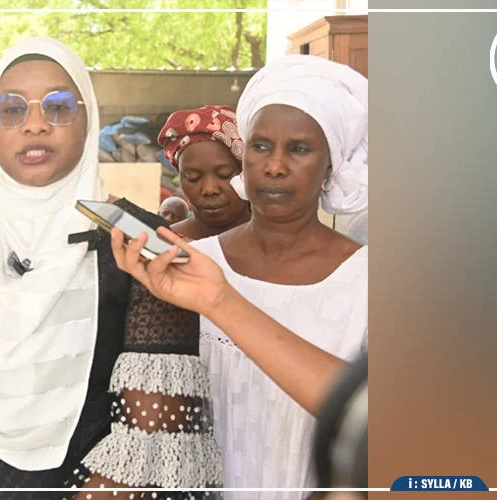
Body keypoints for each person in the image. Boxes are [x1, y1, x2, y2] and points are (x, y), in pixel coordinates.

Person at [0, 37, 223, 499]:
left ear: (89, 117)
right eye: (12, 109)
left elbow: (149, 437)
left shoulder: (139, 240)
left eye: (58, 107)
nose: (34, 125)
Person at [110, 54, 368, 498]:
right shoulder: (190, 266)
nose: (275, 166)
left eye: (299, 149)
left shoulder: (368, 280)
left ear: (331, 166)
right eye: (261, 146)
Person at [156, 106, 251, 242]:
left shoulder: (278, 243)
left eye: (224, 174)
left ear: (245, 173)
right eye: (193, 178)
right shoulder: (163, 244)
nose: (209, 189)